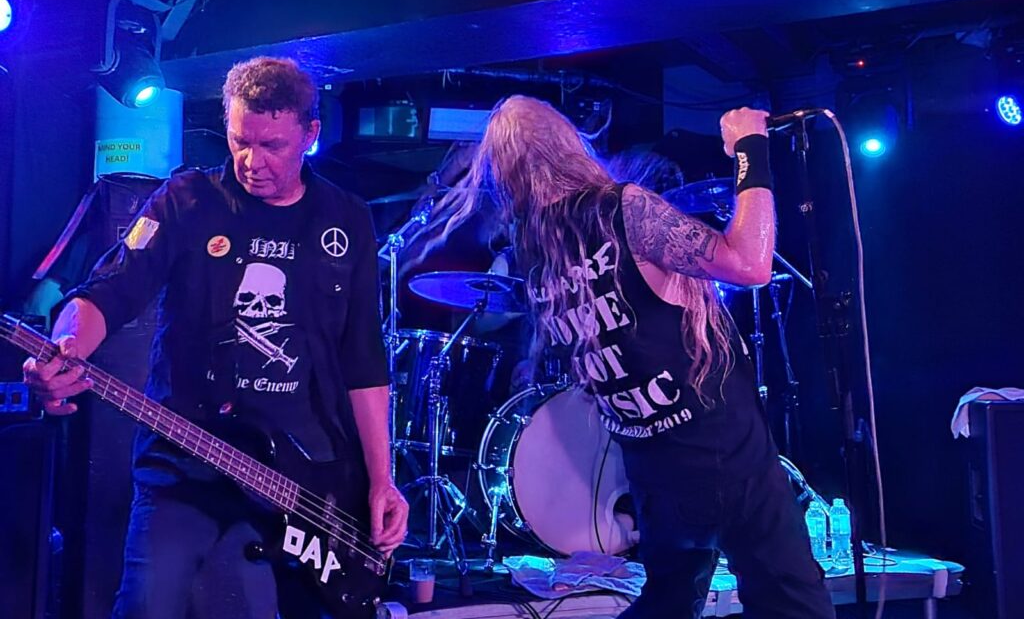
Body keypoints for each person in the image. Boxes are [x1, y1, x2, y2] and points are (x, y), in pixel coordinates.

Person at [23, 57, 409, 619]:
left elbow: (364, 361)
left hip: (305, 481)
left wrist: (382, 479)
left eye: (271, 144)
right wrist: (66, 349)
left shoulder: (345, 218)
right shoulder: (186, 202)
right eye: (239, 141)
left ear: (311, 133)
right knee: (145, 607)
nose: (251, 162)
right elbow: (107, 291)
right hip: (187, 463)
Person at [420, 95, 834, 618]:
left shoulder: (536, 250)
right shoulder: (622, 209)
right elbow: (751, 264)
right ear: (566, 144)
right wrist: (751, 147)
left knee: (668, 601)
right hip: (722, 449)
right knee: (796, 607)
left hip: (654, 467)